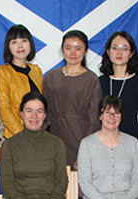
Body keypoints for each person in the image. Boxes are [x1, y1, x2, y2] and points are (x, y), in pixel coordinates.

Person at [0, 92, 68, 199]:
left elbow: (61, 179)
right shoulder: (10, 145)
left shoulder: (56, 143)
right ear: (21, 114)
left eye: (39, 111)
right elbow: (7, 183)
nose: (34, 116)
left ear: (45, 115)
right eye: (29, 110)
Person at [77, 96, 138, 199]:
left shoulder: (132, 143)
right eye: (107, 113)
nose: (112, 117)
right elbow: (85, 183)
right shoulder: (87, 144)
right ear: (100, 116)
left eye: (117, 113)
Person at [44, 30, 102, 165]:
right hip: (54, 139)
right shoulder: (51, 77)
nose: (73, 53)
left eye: (78, 48)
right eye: (68, 48)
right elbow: (45, 113)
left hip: (80, 139)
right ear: (62, 49)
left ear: (86, 51)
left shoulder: (91, 79)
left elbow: (94, 119)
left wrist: (86, 152)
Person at [98, 31, 138, 170]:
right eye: (115, 48)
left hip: (130, 146)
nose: (119, 52)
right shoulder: (100, 82)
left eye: (124, 48)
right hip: (102, 147)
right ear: (108, 52)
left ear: (132, 53)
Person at [0, 24, 43, 139]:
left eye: (24, 40)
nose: (20, 46)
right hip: (14, 137)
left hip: (37, 134)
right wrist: (23, 135)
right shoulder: (3, 72)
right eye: (14, 42)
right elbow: (4, 109)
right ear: (8, 46)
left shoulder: (36, 71)